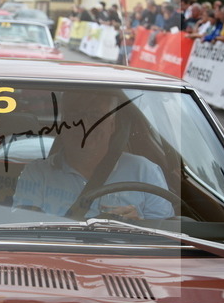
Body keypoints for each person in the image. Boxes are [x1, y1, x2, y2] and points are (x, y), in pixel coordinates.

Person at [13, 89, 174, 220]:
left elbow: (165, 237)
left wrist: (138, 225)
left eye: (95, 116)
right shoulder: (37, 174)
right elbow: (24, 229)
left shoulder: (145, 172)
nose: (84, 124)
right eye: (75, 115)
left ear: (112, 125)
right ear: (63, 123)